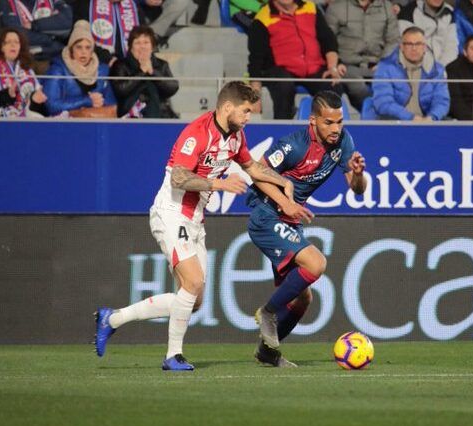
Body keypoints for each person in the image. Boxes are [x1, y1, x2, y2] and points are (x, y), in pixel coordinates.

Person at [94, 81, 295, 371]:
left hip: (195, 219)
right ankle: (172, 355)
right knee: (194, 281)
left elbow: (252, 167)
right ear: (228, 107)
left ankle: (111, 319)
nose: (249, 117)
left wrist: (282, 180)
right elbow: (178, 178)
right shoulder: (196, 134)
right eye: (246, 111)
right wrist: (219, 183)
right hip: (172, 212)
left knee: (193, 300)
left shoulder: (237, 136)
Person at [247, 90, 366, 367]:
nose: (335, 129)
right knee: (316, 263)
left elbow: (357, 190)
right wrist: (285, 203)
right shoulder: (294, 145)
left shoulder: (343, 143)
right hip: (267, 216)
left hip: (288, 220)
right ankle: (268, 312)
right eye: (328, 122)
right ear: (313, 121)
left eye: (339, 122)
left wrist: (359, 175)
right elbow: (255, 171)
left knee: (303, 298)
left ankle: (267, 352)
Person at [248, 0, 344, 119]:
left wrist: (332, 67)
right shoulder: (261, 19)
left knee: (333, 85)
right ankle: (283, 128)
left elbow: (328, 40)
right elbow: (256, 61)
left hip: (314, 66)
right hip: (281, 69)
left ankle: (328, 130)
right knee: (283, 87)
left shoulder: (311, 8)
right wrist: (255, 99)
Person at [324, 0, 400, 112]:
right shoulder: (336, 8)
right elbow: (328, 41)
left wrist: (383, 62)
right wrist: (338, 62)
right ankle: (373, 114)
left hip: (378, 65)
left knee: (396, 84)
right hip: (347, 66)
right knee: (357, 86)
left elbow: (393, 40)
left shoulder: (386, 7)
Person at [372, 26, 450, 121]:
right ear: (401, 47)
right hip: (396, 122)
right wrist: (410, 118)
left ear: (424, 47)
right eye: (409, 44)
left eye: (418, 44)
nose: (414, 48)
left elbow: (441, 100)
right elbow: (383, 102)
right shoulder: (385, 67)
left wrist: (432, 117)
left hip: (427, 121)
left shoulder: (437, 70)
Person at [0, 27, 48, 117]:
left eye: (16, 42)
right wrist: (7, 95)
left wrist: (34, 101)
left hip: (22, 121)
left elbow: (37, 109)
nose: (13, 45)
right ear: (1, 47)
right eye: (8, 42)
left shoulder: (27, 69)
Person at [43, 20, 116, 116]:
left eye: (88, 47)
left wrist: (100, 103)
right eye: (79, 47)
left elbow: (112, 104)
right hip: (65, 125)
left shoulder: (103, 70)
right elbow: (51, 105)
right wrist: (86, 101)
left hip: (97, 122)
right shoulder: (57, 69)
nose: (83, 52)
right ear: (71, 49)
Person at [110, 25, 178, 118]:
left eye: (146, 42)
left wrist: (152, 72)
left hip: (160, 115)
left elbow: (172, 88)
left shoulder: (162, 64)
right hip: (130, 116)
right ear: (130, 47)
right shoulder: (120, 64)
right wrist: (141, 71)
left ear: (152, 47)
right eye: (137, 43)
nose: (142, 47)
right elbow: (120, 89)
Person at [71, 0, 145, 65]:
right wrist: (106, 58)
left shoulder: (135, 8)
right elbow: (78, 38)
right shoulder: (85, 5)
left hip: (130, 65)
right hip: (96, 64)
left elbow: (144, 39)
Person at [0, 0, 73, 61]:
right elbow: (15, 33)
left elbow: (66, 23)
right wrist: (51, 38)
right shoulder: (7, 2)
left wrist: (34, 25)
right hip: (21, 60)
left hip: (54, 57)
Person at [397, 0, 458, 67]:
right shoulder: (407, 12)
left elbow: (451, 47)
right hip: (416, 69)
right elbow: (408, 48)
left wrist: (440, 69)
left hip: (443, 69)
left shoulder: (449, 12)